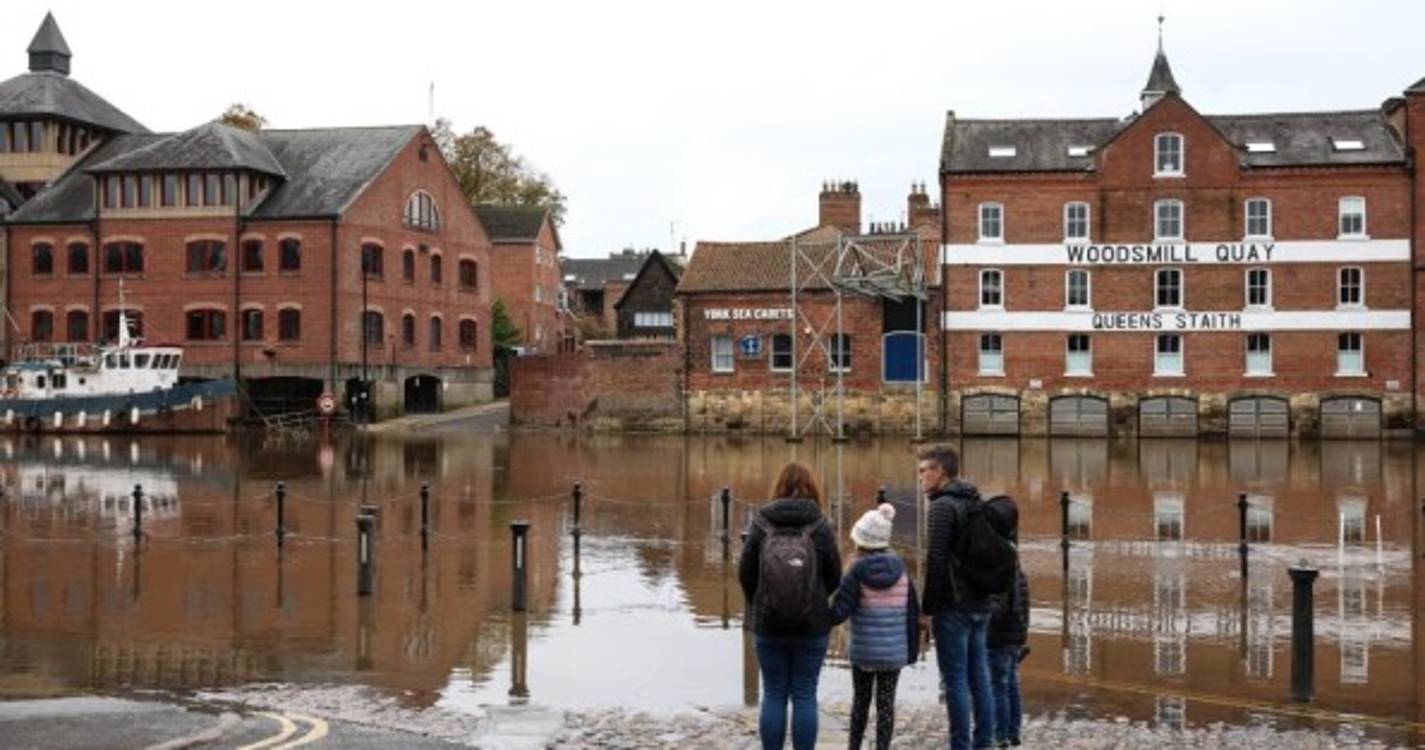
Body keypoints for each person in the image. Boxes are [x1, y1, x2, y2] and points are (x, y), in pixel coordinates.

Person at [738, 462, 842, 750]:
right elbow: (835, 574)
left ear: (778, 487)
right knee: (805, 694)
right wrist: (815, 599)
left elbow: (745, 572)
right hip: (812, 625)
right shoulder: (819, 524)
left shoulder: (761, 522)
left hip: (768, 623)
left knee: (774, 693)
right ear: (813, 488)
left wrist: (759, 602)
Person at [918, 445, 996, 750]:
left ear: (939, 472)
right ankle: (983, 742)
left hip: (954, 605)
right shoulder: (976, 501)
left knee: (955, 681)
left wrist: (927, 609)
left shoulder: (942, 506)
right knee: (980, 678)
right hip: (981, 601)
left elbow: (936, 560)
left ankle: (960, 745)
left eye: (924, 470)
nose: (920, 477)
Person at [829, 502, 919, 750]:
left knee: (860, 702)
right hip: (894, 654)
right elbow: (913, 612)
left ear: (861, 541)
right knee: (886, 706)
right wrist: (910, 650)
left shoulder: (856, 572)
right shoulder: (902, 571)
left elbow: (839, 612)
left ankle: (854, 746)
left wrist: (818, 611)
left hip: (864, 652)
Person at [985, 498, 1028, 748]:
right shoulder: (1014, 555)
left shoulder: (1000, 558)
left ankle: (1000, 735)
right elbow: (1023, 598)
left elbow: (999, 603)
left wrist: (983, 620)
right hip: (1013, 633)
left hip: (999, 636)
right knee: (1011, 683)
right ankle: (1013, 732)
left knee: (998, 686)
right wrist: (1022, 631)